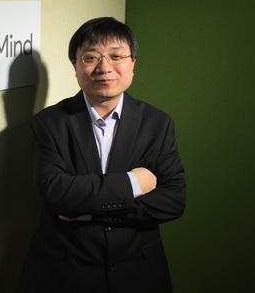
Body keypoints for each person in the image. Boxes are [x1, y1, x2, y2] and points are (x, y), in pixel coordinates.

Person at [19, 17, 185, 293]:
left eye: (116, 56)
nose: (104, 67)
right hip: (65, 272)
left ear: (133, 63)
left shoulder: (157, 123)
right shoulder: (50, 123)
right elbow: (55, 193)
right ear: (75, 66)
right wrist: (132, 183)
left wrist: (88, 212)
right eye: (90, 57)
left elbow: (173, 201)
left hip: (139, 271)